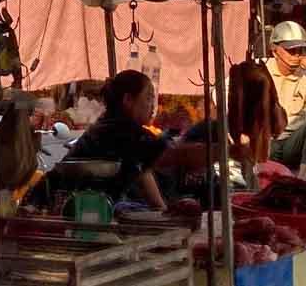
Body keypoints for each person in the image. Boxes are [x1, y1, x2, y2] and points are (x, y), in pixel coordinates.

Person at [66, 69, 208, 210]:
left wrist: (163, 212)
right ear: (128, 100)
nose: (153, 106)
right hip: (59, 206)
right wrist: (222, 150)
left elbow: (142, 172)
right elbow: (175, 155)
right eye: (148, 97)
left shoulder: (109, 126)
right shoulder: (122, 132)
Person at [263, 21, 306, 170]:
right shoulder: (259, 70)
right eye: (291, 51)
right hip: (265, 143)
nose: (296, 56)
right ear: (274, 50)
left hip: (292, 143)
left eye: (301, 51)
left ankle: (305, 177)